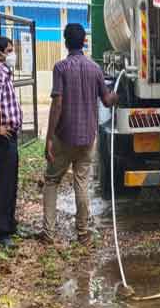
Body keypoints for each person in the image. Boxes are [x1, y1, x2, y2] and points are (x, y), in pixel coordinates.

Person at [42, 23, 117, 245]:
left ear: (65, 42)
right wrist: (116, 96)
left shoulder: (61, 68)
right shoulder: (95, 69)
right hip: (87, 138)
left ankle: (48, 232)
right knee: (81, 182)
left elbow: (57, 104)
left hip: (64, 137)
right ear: (84, 41)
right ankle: (83, 233)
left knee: (52, 180)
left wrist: (49, 137)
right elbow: (107, 100)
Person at [0, 36, 22, 248]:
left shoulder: (5, 73)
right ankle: (1, 232)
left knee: (11, 180)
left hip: (10, 134)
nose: (12, 54)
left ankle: (10, 223)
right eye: (9, 50)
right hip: (3, 136)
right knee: (3, 182)